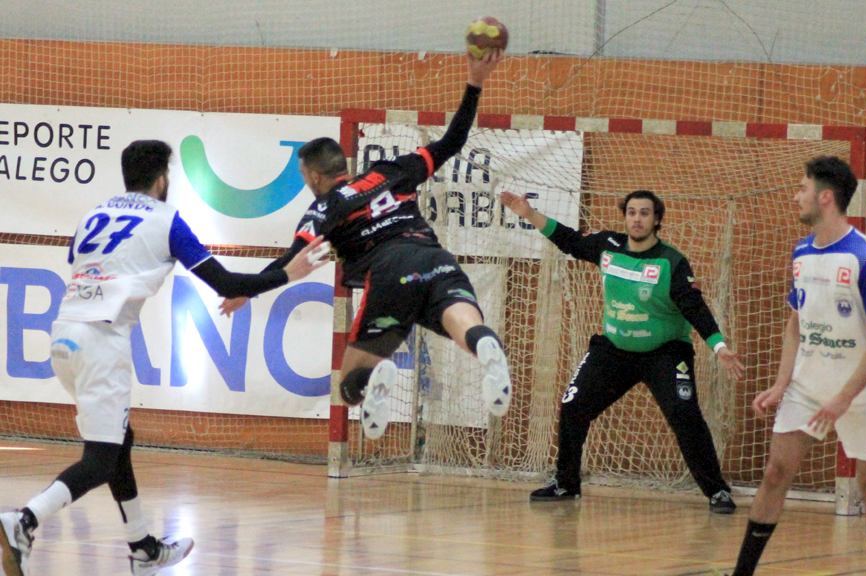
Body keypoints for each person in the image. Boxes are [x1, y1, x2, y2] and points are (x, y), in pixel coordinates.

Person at [0, 140, 328, 576]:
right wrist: (290, 272)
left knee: (120, 443)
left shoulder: (92, 215)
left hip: (63, 336)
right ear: (162, 179)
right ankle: (24, 520)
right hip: (103, 341)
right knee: (99, 458)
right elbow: (226, 281)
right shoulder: (166, 220)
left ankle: (143, 549)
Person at [219, 49, 509, 440]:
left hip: (389, 272)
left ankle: (376, 376)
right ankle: (487, 346)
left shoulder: (326, 207)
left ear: (318, 176)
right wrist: (475, 82)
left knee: (348, 383)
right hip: (435, 257)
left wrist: (244, 292)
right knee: (467, 326)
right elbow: (453, 141)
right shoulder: (391, 171)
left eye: (304, 173)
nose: (305, 180)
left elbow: (290, 262)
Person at [499, 189, 745, 513]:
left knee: (684, 414)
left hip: (665, 353)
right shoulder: (608, 246)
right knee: (573, 406)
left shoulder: (671, 261)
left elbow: (694, 307)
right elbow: (569, 240)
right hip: (614, 351)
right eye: (632, 212)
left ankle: (717, 492)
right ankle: (566, 484)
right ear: (625, 216)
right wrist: (528, 213)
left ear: (656, 219)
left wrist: (720, 347)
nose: (637, 219)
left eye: (645, 213)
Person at [722, 156, 866, 576]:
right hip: (808, 389)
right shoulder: (801, 252)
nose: (795, 196)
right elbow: (795, 325)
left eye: (802, 188)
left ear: (825, 197)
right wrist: (782, 384)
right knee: (775, 473)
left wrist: (844, 397)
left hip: (861, 394)